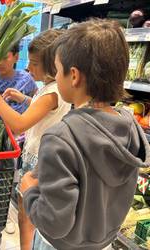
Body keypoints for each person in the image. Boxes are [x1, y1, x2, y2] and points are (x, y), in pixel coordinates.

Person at [21, 19, 150, 250]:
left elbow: (54, 223)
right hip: (105, 242)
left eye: (57, 69)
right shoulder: (130, 126)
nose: (55, 76)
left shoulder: (60, 138)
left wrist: (29, 191)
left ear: (74, 76)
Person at [0, 30, 71, 250]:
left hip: (41, 163)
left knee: (29, 215)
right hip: (35, 157)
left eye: (35, 63)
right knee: (25, 210)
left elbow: (19, 124)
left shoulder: (52, 92)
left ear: (53, 65)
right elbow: (44, 112)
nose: (29, 68)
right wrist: (24, 98)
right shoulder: (49, 88)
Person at [0, 43, 37, 114]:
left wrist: (24, 99)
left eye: (5, 58)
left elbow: (37, 103)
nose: (0, 63)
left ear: (16, 57)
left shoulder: (26, 80)